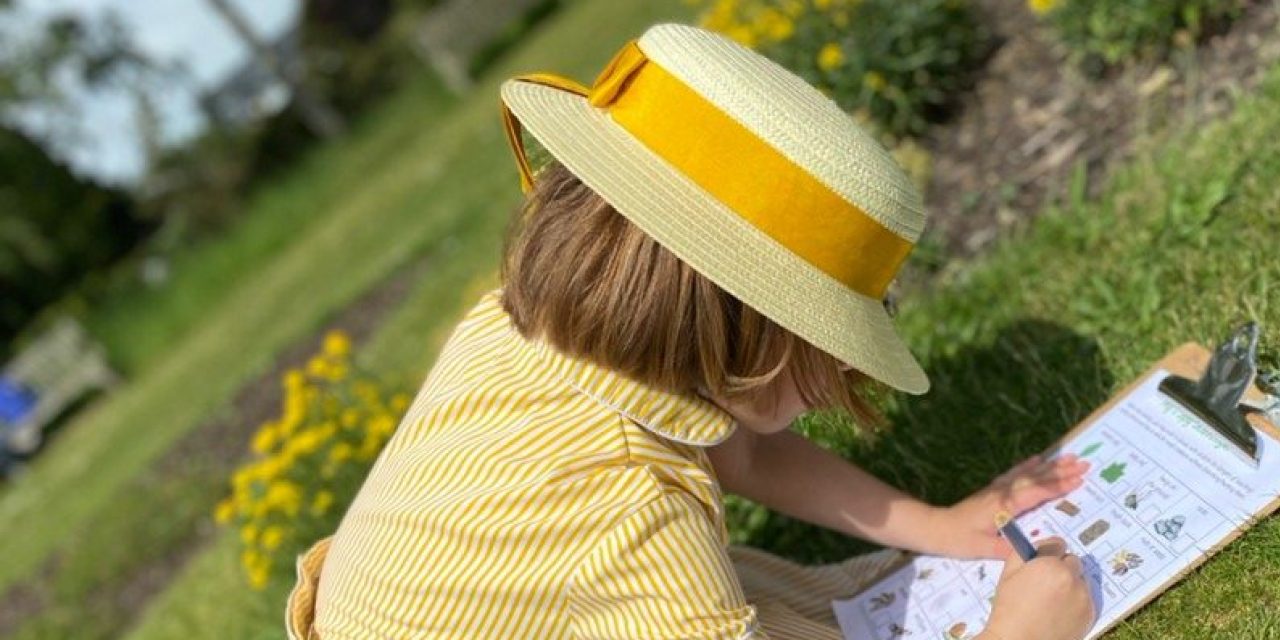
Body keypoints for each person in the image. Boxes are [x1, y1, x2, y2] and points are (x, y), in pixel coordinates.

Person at [284, 23, 1097, 640]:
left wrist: (940, 527)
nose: (837, 378)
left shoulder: (517, 331)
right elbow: (651, 503)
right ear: (744, 327)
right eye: (830, 343)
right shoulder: (631, 521)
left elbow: (733, 448)